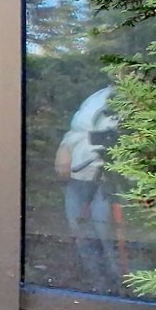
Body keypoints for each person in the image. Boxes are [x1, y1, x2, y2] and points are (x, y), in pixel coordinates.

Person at [54, 87, 124, 294]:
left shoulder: (138, 99)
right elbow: (76, 131)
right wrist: (64, 149)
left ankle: (122, 296)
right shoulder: (99, 95)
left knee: (110, 239)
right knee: (83, 237)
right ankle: (98, 289)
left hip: (109, 181)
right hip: (78, 180)